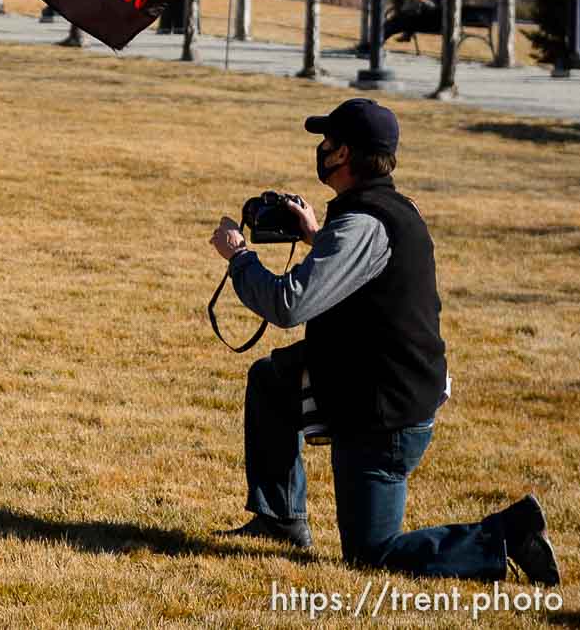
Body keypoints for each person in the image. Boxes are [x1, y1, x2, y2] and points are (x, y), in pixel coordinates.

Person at [209, 98, 559, 585]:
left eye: (327, 141)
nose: (321, 148)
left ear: (343, 155)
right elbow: (369, 271)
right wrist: (316, 236)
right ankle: (279, 518)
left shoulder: (361, 224)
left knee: (372, 554)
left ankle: (505, 536)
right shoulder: (389, 209)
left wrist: (240, 257)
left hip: (384, 415)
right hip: (377, 379)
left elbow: (288, 305)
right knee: (272, 380)